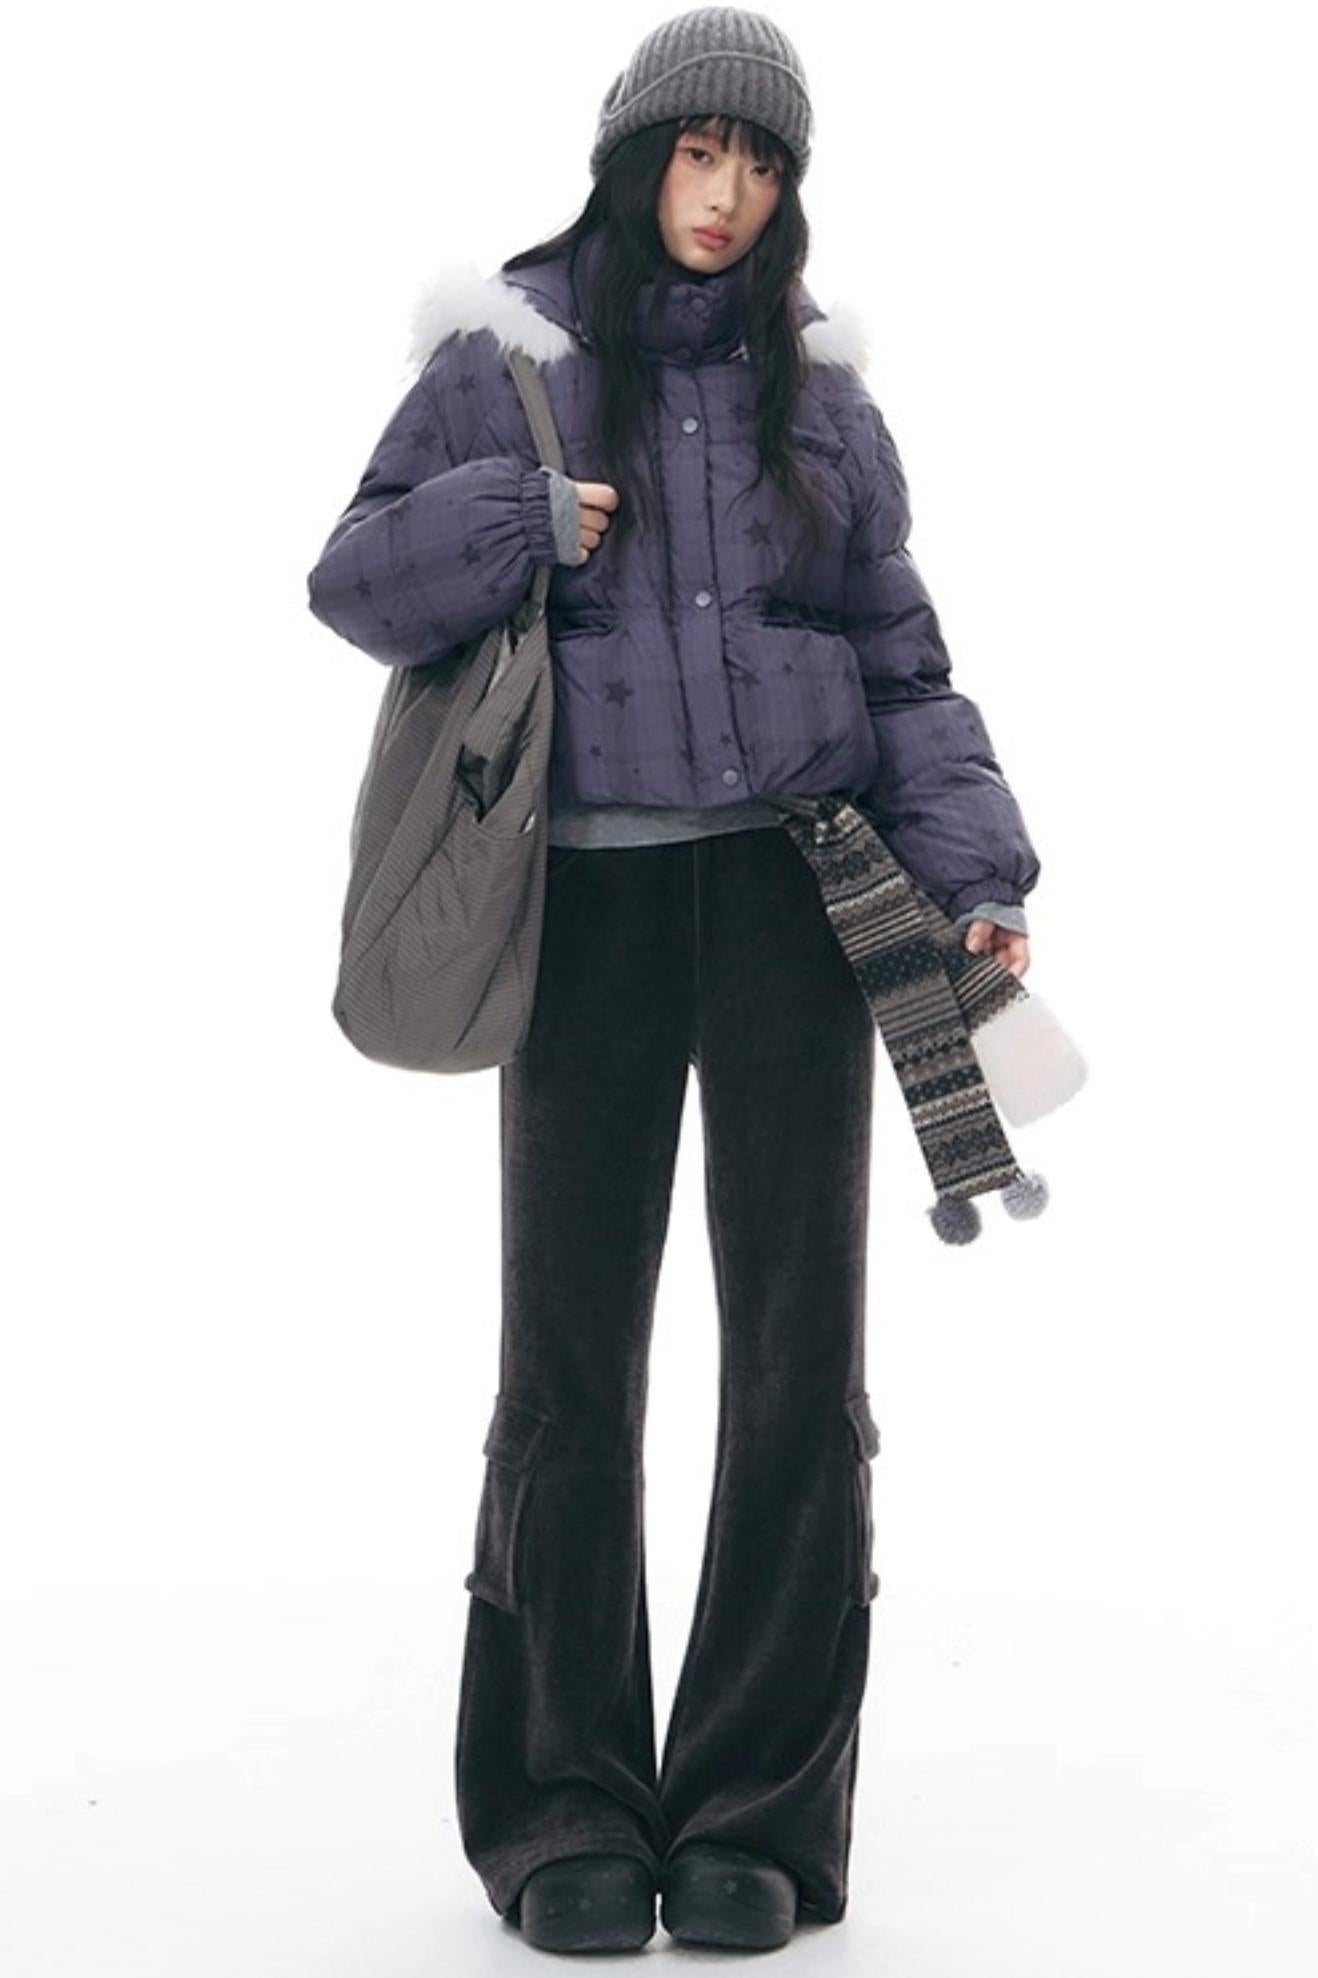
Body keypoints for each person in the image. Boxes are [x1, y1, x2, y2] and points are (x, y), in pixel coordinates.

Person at [305, 4, 1042, 1953]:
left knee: (799, 1356)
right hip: (589, 904)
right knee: (570, 1351)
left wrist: (973, 871)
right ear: (633, 156)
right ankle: (557, 1799)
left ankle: (756, 1810)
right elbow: (351, 577)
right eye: (700, 152)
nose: (728, 194)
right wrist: (516, 519)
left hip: (801, 897)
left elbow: (897, 661)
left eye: (764, 163)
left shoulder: (818, 393)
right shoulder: (509, 359)